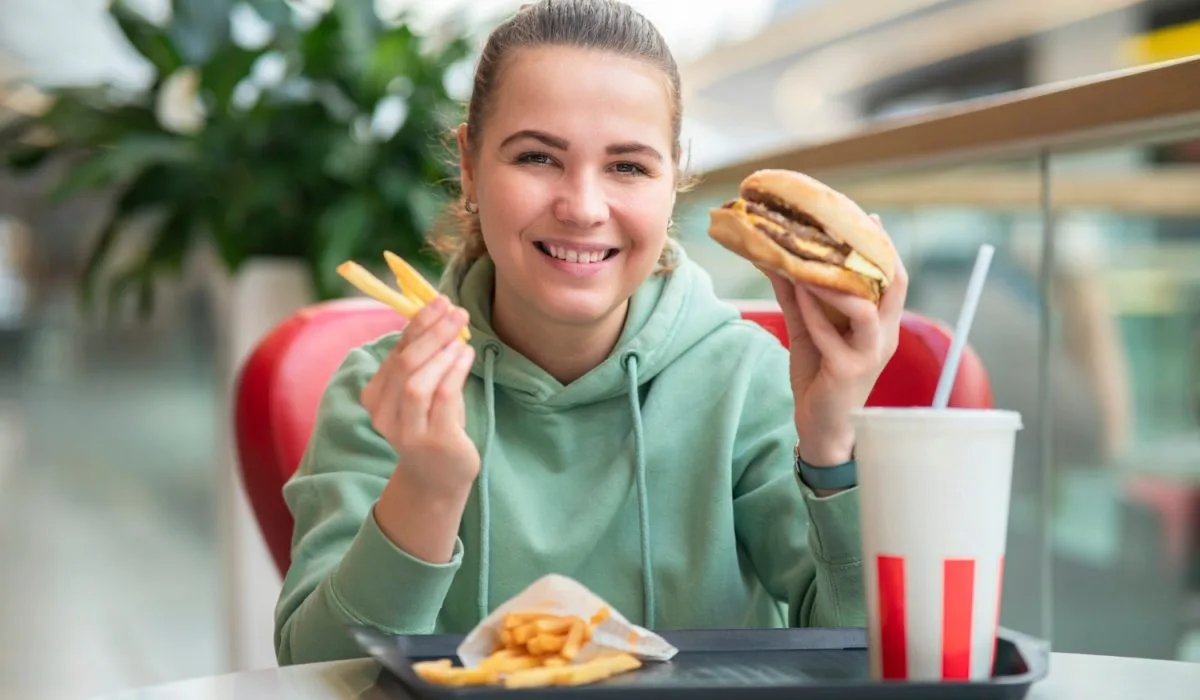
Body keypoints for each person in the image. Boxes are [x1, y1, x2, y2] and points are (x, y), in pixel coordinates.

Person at [274, 0, 909, 666]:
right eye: (537, 158)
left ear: (673, 178)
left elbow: (870, 654)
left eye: (628, 167)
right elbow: (314, 673)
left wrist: (833, 443)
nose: (582, 207)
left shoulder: (747, 379)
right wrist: (426, 491)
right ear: (469, 165)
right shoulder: (381, 392)